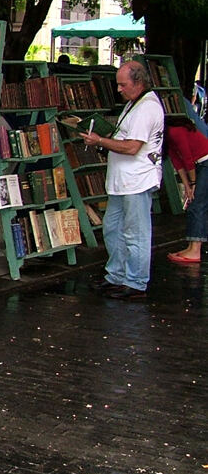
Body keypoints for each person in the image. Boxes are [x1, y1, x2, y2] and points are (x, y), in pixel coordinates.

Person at [81, 60, 165, 298]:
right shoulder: (133, 104)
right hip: (121, 180)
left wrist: (100, 141)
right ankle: (117, 275)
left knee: (135, 232)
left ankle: (136, 281)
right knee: (113, 228)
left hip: (137, 180)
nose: (119, 89)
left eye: (123, 84)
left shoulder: (146, 107)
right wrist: (104, 137)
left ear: (138, 82)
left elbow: (131, 147)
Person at [163, 117, 208, 264]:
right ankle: (192, 246)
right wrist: (187, 186)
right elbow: (177, 162)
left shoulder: (176, 132)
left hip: (204, 162)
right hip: (200, 165)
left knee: (197, 205)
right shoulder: (168, 137)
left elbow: (187, 159)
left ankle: (195, 250)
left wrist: (193, 183)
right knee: (194, 203)